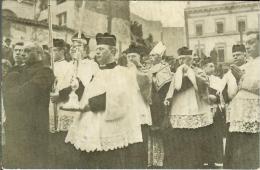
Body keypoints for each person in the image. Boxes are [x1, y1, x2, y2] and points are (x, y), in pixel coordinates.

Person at [65, 32, 143, 169]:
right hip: (91, 127)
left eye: (101, 49)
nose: (97, 52)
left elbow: (121, 99)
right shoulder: (96, 72)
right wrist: (78, 87)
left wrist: (93, 103)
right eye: (97, 49)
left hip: (110, 127)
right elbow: (88, 95)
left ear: (113, 51)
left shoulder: (123, 72)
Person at [49, 34, 98, 168]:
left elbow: (84, 88)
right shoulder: (67, 65)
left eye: (79, 45)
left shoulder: (91, 65)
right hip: (61, 106)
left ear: (86, 49)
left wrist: (61, 94)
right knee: (61, 143)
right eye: (73, 45)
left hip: (78, 108)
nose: (74, 48)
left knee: (75, 145)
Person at [3, 42, 54, 168]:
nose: (23, 54)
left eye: (27, 51)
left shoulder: (45, 71)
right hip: (18, 125)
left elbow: (27, 93)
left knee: (33, 162)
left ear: (39, 54)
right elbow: (7, 96)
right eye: (22, 51)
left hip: (34, 126)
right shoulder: (16, 70)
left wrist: (14, 91)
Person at [164, 46, 214, 168]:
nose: (181, 62)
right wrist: (168, 98)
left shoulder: (198, 71)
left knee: (195, 136)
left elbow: (205, 83)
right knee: (181, 136)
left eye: (184, 59)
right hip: (179, 106)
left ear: (190, 60)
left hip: (196, 105)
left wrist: (191, 75)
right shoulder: (176, 73)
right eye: (180, 59)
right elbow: (172, 89)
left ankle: (196, 163)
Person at [223, 31, 260, 169]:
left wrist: (242, 79)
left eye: (251, 42)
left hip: (254, 117)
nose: (247, 46)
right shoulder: (247, 65)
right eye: (246, 43)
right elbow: (233, 93)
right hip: (240, 117)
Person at [125, 44, 153, 168]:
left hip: (140, 109)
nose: (131, 59)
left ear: (139, 58)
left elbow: (147, 85)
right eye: (129, 56)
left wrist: (135, 69)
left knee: (141, 144)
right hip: (126, 111)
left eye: (134, 56)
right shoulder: (122, 71)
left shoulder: (145, 70)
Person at [148, 42, 172, 168]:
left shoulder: (164, 69)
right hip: (150, 103)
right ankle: (151, 159)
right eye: (150, 56)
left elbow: (164, 88)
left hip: (160, 102)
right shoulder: (148, 69)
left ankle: (161, 160)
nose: (150, 58)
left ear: (159, 56)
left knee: (160, 131)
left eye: (153, 56)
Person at [201, 58, 225, 168]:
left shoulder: (217, 79)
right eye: (210, 66)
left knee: (216, 135)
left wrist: (216, 98)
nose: (213, 68)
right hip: (203, 109)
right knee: (205, 135)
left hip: (215, 110)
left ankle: (217, 160)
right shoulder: (200, 78)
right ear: (204, 67)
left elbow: (221, 95)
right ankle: (205, 160)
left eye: (213, 66)